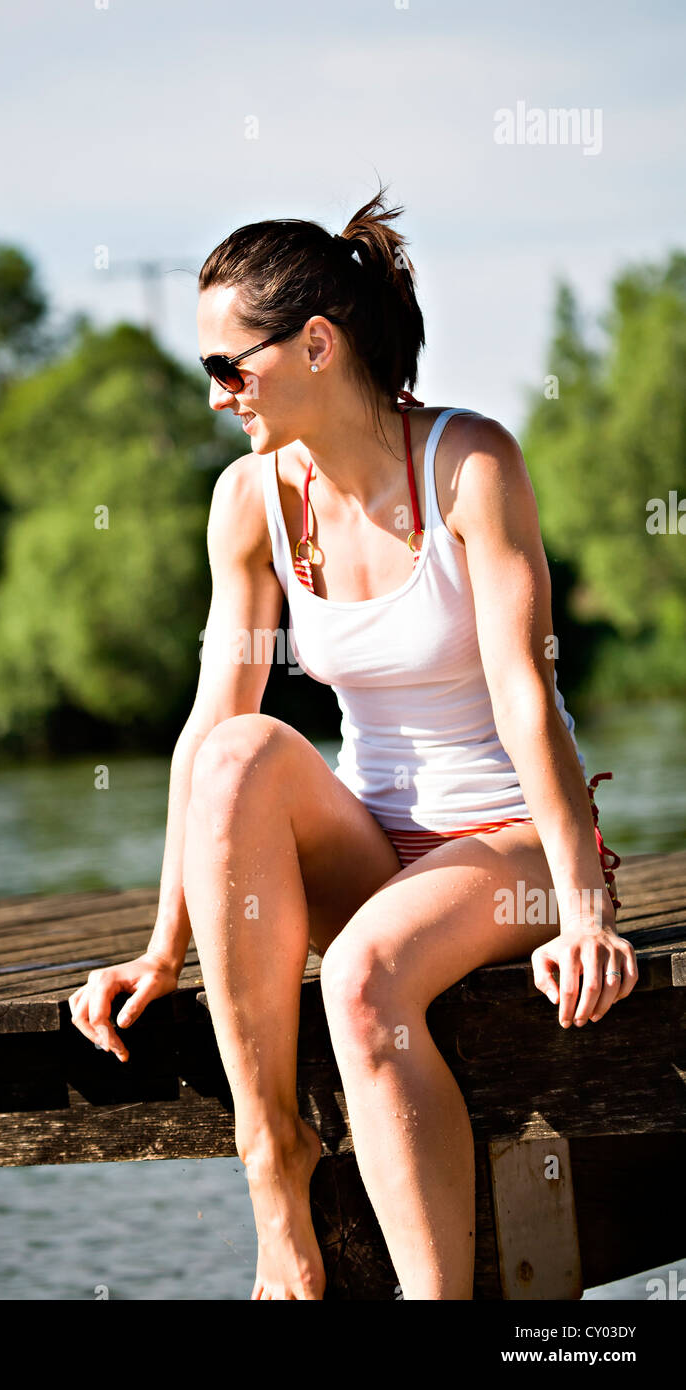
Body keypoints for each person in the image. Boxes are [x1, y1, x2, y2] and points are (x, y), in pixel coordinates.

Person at [69, 185, 637, 1301]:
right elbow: (208, 728)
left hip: (502, 842)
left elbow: (526, 694)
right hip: (369, 848)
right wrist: (161, 946)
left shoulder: (469, 466)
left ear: (316, 343)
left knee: (363, 979)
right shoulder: (246, 505)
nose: (219, 395)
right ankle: (270, 1159)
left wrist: (583, 912)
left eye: (228, 367)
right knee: (238, 750)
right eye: (208, 374)